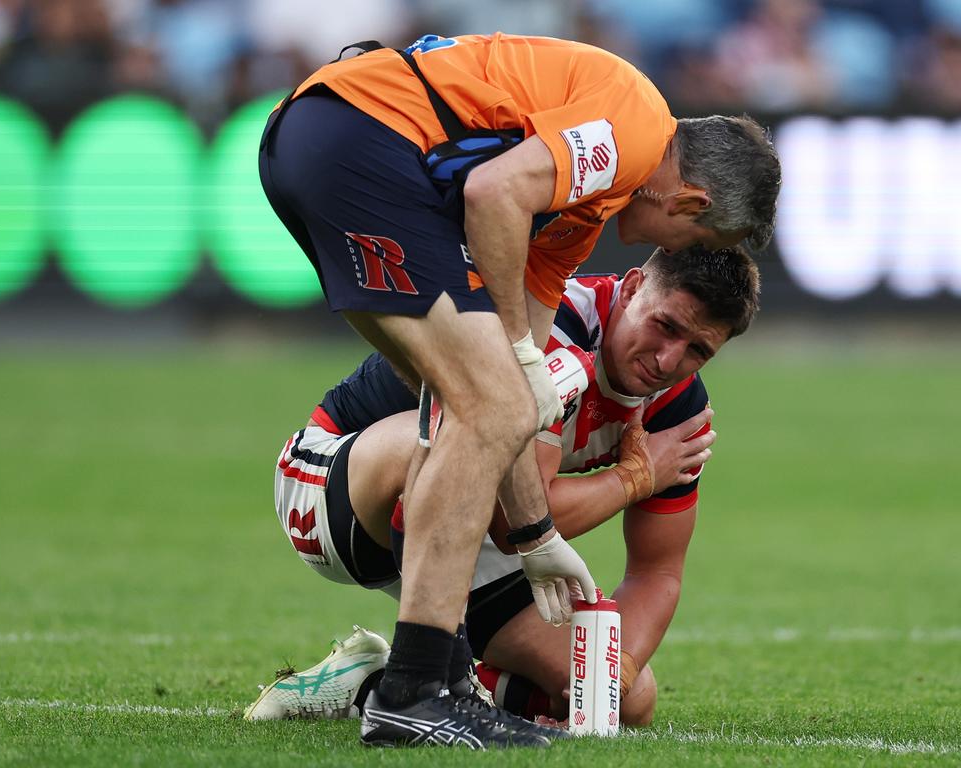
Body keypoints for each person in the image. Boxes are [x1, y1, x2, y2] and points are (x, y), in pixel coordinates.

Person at [258, 31, 779, 748]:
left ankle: (409, 682)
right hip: (360, 138)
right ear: (689, 202)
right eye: (691, 244)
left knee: (480, 404)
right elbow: (491, 189)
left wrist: (536, 537)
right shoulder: (637, 125)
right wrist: (555, 407)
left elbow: (517, 344)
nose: (670, 359)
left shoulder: (579, 211)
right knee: (489, 401)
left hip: (338, 136)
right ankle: (416, 692)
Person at [246, 245, 760, 729]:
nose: (669, 361)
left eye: (697, 350)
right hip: (333, 489)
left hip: (462, 524)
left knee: (629, 699)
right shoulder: (553, 325)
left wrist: (614, 674)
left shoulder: (677, 409)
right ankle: (429, 684)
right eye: (665, 326)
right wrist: (635, 478)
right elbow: (513, 518)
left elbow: (658, 571)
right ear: (630, 288)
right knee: (453, 443)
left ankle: (370, 681)